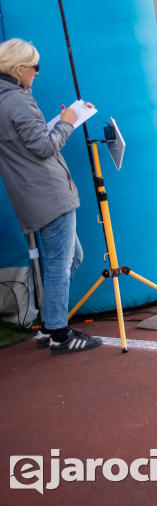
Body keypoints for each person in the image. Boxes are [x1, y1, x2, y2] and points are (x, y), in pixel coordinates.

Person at [0, 39, 100, 355]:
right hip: (48, 193)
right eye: (35, 67)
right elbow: (44, 148)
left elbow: (27, 143)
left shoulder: (7, 98)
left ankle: (49, 323)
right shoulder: (17, 100)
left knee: (71, 257)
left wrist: (53, 127)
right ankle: (58, 332)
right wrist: (67, 124)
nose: (37, 73)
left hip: (32, 193)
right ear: (19, 69)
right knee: (60, 263)